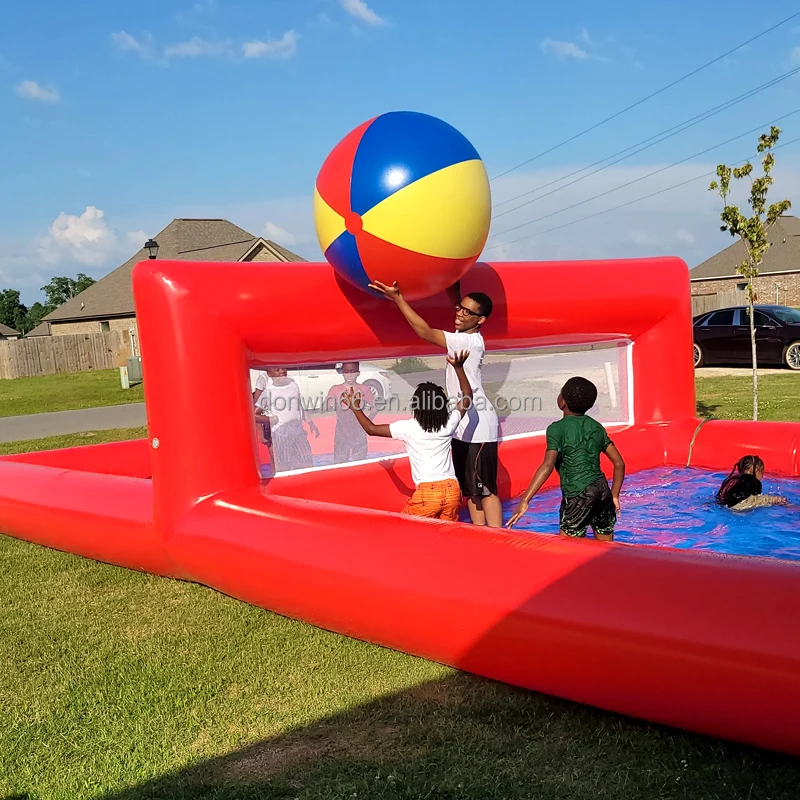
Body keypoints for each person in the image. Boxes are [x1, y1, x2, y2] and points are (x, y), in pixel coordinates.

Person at [369, 279, 502, 527]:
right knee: (472, 489)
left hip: (478, 424)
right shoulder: (468, 333)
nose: (460, 313)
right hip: (463, 421)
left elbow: (425, 332)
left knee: (486, 489)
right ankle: (481, 537)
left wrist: (398, 298)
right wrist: (455, 290)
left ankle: (502, 539)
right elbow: (466, 313)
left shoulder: (465, 341)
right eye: (459, 307)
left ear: (481, 320)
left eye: (467, 312)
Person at [344, 351, 473, 521]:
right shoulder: (449, 423)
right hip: (452, 489)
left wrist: (356, 408)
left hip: (427, 493)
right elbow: (467, 397)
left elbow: (371, 429)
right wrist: (459, 368)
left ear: (416, 406)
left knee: (406, 531)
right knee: (445, 537)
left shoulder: (409, 428)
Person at [506, 376, 625, 540]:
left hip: (578, 495)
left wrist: (525, 499)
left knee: (569, 549)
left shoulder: (557, 429)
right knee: (607, 550)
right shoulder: (596, 427)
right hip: (603, 492)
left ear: (562, 402)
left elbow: (548, 465)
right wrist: (614, 495)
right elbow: (619, 463)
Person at [255, 367, 319, 473]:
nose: (282, 371)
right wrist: (269, 419)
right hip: (281, 436)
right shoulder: (269, 391)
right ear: (269, 374)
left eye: (284, 368)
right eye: (277, 369)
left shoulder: (293, 386)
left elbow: (299, 407)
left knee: (307, 462)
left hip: (298, 433)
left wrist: (311, 423)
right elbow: (255, 414)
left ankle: (306, 484)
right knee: (284, 466)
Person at [326, 361, 377, 464]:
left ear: (358, 373)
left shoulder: (364, 389)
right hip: (342, 430)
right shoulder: (335, 389)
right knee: (340, 460)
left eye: (352, 372)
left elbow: (374, 408)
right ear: (342, 373)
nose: (349, 375)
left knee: (360, 460)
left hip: (358, 429)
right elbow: (328, 406)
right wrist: (332, 404)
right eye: (346, 372)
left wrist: (367, 421)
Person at [716, 455, 788, 510]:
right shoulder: (754, 481)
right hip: (741, 504)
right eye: (762, 472)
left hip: (725, 505)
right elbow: (756, 497)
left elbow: (719, 496)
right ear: (756, 470)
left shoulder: (730, 479)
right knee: (777, 499)